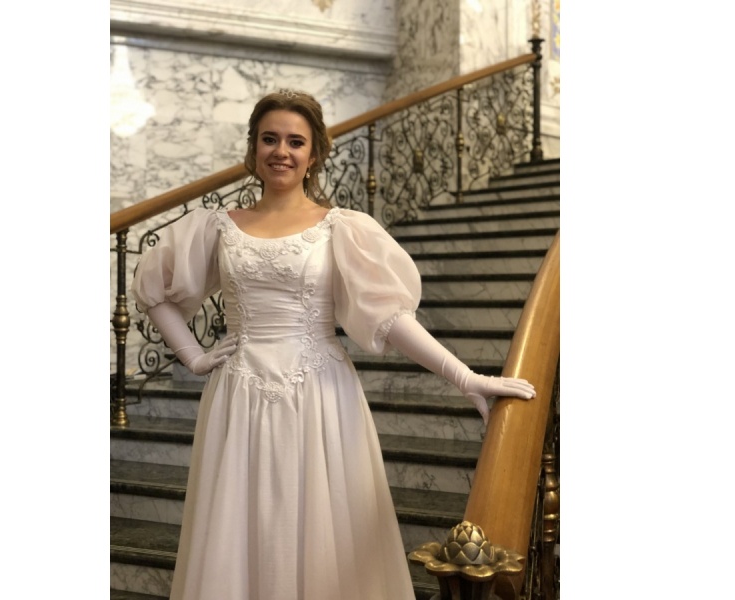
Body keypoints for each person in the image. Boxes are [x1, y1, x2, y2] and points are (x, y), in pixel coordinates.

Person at [131, 89, 536, 600]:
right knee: (237, 529)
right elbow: (153, 291)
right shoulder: (218, 227)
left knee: (326, 536)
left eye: (295, 141)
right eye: (269, 139)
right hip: (239, 392)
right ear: (253, 148)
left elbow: (390, 318)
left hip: (320, 395)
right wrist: (192, 356)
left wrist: (464, 376)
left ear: (315, 153)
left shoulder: (340, 228)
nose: (281, 151)